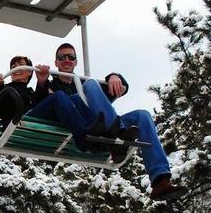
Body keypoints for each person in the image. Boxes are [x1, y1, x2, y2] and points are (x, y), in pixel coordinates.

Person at [27, 43, 187, 201]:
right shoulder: (51, 85)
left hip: (98, 127)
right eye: (62, 57)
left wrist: (114, 76)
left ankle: (160, 180)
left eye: (71, 57)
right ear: (56, 62)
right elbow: (40, 107)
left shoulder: (84, 85)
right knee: (83, 88)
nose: (67, 60)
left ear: (76, 62)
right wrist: (41, 83)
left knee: (142, 116)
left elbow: (121, 87)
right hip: (75, 125)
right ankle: (117, 137)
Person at [0, 56, 43, 129]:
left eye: (21, 65)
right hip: (14, 132)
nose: (17, 68)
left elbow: (39, 108)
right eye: (13, 67)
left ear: (30, 71)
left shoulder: (31, 93)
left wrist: (42, 83)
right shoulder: (6, 89)